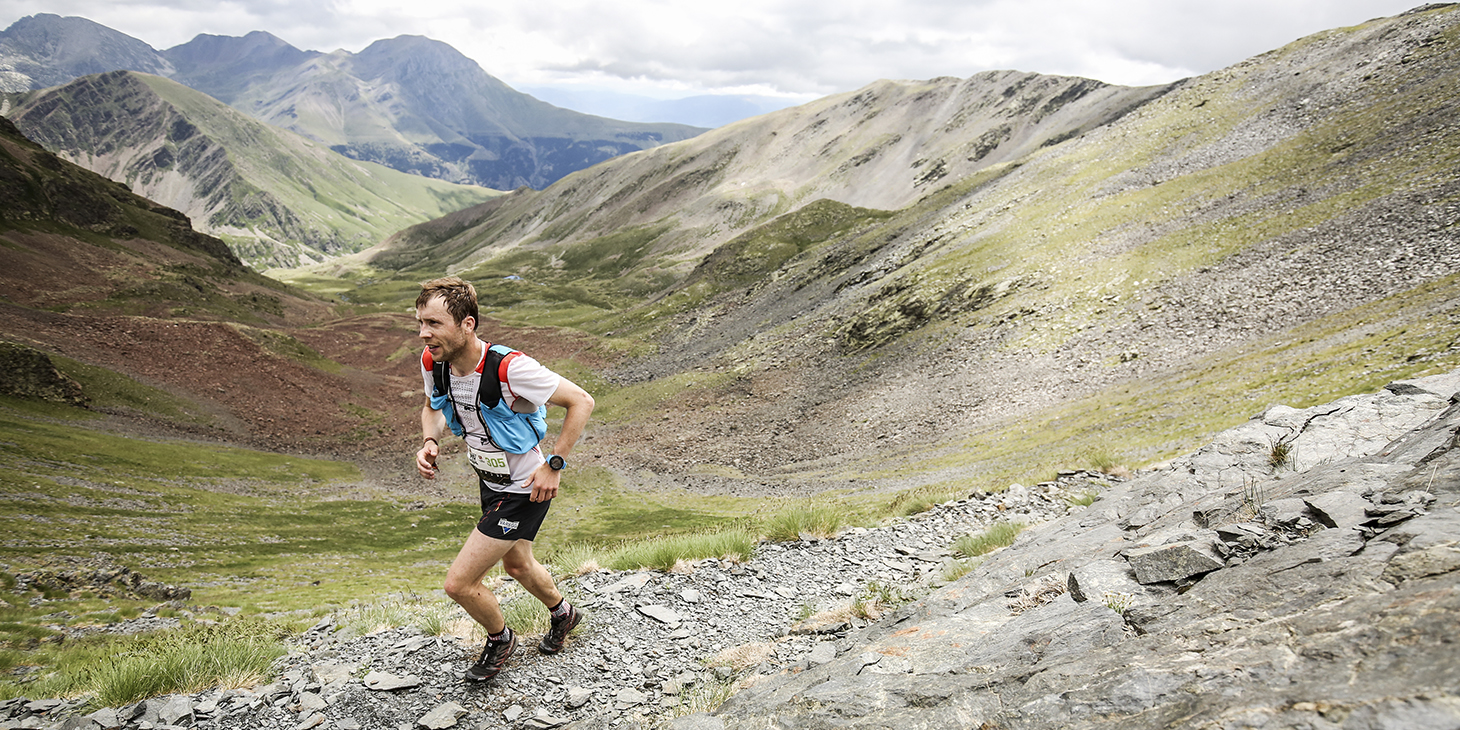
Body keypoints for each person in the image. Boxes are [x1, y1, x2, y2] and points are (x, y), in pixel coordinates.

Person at [413, 276, 595, 682]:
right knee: (518, 564)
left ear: (467, 324)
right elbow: (432, 408)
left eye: (434, 324)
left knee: (459, 583)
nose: (424, 334)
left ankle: (500, 639)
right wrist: (430, 440)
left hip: (525, 487)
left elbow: (581, 401)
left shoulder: (512, 368)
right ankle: (564, 614)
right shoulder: (434, 362)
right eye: (421, 323)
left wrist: (555, 464)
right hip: (490, 480)